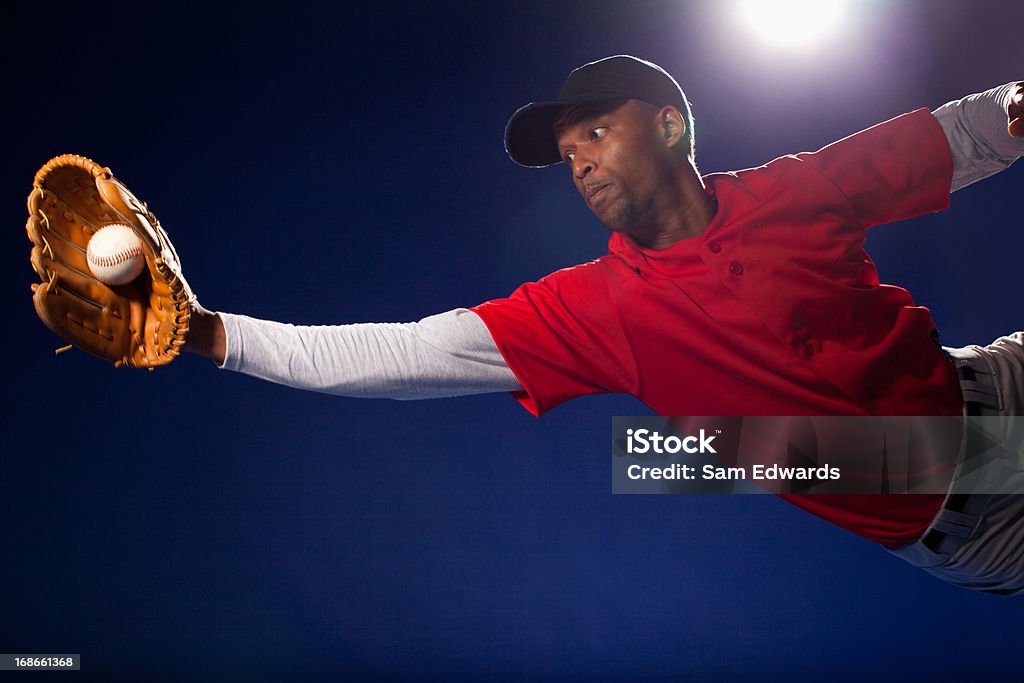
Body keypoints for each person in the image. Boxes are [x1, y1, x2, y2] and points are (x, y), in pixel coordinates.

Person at [184, 56, 1024, 595]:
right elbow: (402, 351)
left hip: (997, 385)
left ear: (668, 125)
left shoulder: (790, 191)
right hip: (979, 529)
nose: (579, 160)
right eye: (568, 153)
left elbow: (958, 136)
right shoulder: (591, 310)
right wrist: (209, 333)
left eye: (594, 131)